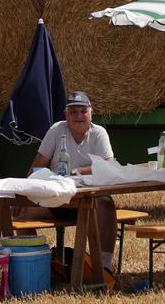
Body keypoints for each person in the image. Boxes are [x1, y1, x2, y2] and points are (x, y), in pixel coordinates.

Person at [16, 91, 120, 273]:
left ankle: (103, 267)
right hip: (58, 200)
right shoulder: (57, 130)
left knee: (106, 204)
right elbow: (36, 167)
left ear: (91, 113)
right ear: (65, 115)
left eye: (83, 111)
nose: (78, 116)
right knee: (18, 210)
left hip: (88, 202)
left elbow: (109, 166)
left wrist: (80, 171)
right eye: (73, 111)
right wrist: (27, 192)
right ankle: (36, 263)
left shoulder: (98, 134)